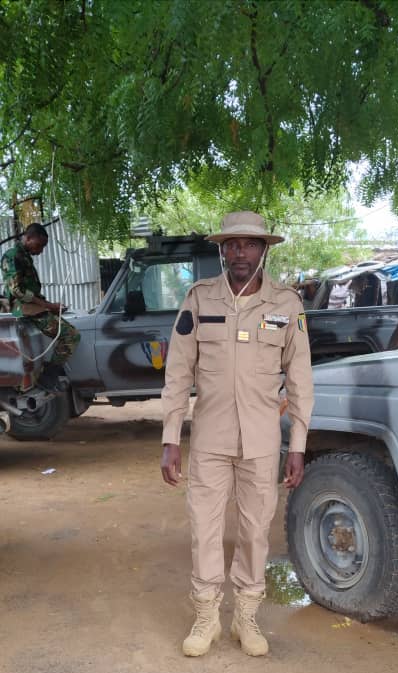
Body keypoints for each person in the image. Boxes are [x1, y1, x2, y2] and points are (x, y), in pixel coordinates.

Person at [160, 211, 314, 657]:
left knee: (254, 531)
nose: (239, 252)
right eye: (231, 244)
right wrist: (172, 435)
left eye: (249, 244)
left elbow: (300, 379)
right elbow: (177, 372)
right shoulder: (199, 299)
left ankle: (245, 617)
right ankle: (206, 616)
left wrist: (298, 445)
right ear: (221, 249)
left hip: (262, 443)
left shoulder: (286, 305)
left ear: (264, 249)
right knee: (204, 530)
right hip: (209, 438)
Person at [1, 222, 80, 391]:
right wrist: (49, 305)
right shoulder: (13, 256)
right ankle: (48, 376)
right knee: (71, 336)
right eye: (40, 245)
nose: (41, 250)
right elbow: (17, 291)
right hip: (23, 309)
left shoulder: (24, 255)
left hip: (32, 307)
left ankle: (46, 376)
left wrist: (50, 306)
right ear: (28, 238)